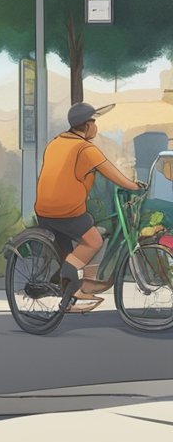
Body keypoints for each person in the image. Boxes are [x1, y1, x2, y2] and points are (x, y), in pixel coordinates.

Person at [35, 102, 141, 311]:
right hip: (66, 211)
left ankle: (70, 294)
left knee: (70, 252)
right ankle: (70, 281)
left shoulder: (56, 142)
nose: (96, 127)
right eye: (94, 122)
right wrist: (135, 186)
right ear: (86, 125)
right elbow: (112, 173)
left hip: (44, 210)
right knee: (93, 241)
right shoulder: (85, 148)